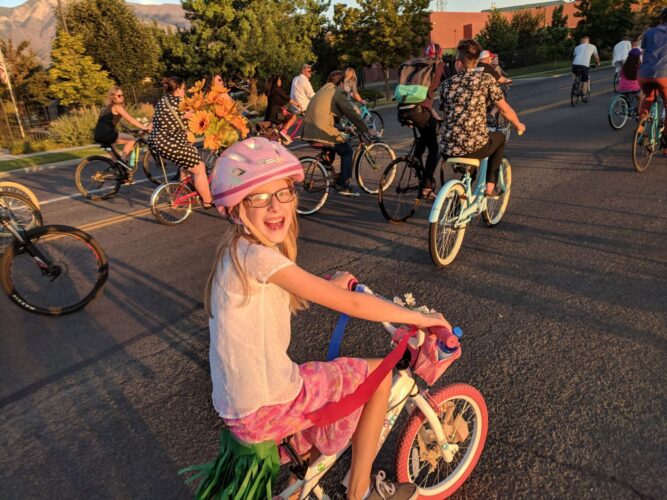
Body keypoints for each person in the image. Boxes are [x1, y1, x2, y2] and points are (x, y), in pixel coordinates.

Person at [206, 136, 451, 500]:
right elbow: (352, 305)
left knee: (324, 385)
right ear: (237, 208)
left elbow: (289, 285)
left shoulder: (237, 252)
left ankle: (298, 486)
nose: (275, 206)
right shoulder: (260, 258)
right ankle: (360, 491)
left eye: (283, 193)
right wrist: (417, 317)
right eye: (259, 197)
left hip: (240, 407)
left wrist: (329, 286)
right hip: (269, 403)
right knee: (377, 376)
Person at [440, 39, 525, 197]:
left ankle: (462, 195)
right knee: (500, 137)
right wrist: (518, 124)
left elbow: (447, 112)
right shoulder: (485, 79)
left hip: (447, 148)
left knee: (468, 150)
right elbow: (504, 109)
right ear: (477, 61)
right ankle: (490, 188)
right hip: (475, 147)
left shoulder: (447, 84)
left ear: (458, 63)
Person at [302, 70, 377, 196]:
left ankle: (326, 167)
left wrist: (344, 128)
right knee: (347, 151)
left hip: (309, 131)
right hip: (321, 131)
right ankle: (344, 185)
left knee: (334, 143)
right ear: (341, 83)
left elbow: (326, 116)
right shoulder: (337, 92)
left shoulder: (322, 91)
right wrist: (366, 129)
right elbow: (350, 112)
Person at [148, 76, 214, 208]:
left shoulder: (163, 100)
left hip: (157, 142)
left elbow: (174, 120)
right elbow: (195, 116)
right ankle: (207, 201)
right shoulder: (180, 102)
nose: (185, 91)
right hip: (171, 142)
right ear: (177, 89)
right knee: (199, 168)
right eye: (184, 88)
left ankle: (184, 190)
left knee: (188, 161)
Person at [397, 43, 447, 201]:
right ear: (439, 54)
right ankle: (426, 187)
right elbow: (443, 88)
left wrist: (433, 112)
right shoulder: (438, 65)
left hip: (403, 110)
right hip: (419, 111)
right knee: (434, 148)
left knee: (424, 138)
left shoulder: (415, 65)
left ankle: (416, 162)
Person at [93, 86, 151, 180]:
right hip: (107, 133)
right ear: (113, 97)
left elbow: (119, 122)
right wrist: (144, 127)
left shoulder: (108, 108)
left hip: (99, 135)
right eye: (119, 95)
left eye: (122, 95)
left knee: (116, 161)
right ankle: (123, 161)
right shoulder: (117, 107)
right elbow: (130, 119)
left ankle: (122, 177)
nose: (122, 97)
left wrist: (130, 130)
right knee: (131, 140)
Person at [638, 7, 667, 151]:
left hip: (644, 74)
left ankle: (640, 129)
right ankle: (666, 139)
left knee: (648, 97)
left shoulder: (649, 32)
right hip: (663, 75)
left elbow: (643, 51)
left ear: (661, 18)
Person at [264, 75, 301, 144]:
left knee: (280, 125)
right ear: (276, 81)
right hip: (277, 113)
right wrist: (297, 104)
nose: (280, 81)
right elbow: (288, 99)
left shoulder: (270, 90)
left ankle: (281, 137)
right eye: (279, 80)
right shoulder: (278, 89)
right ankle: (284, 131)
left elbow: (277, 101)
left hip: (269, 113)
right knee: (293, 117)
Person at [572, 36, 600, 102]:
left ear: (581, 41)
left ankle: (574, 84)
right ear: (588, 41)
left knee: (573, 72)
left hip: (575, 64)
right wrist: (598, 63)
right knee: (585, 80)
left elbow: (574, 57)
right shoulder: (593, 46)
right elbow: (596, 57)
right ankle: (584, 95)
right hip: (584, 65)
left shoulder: (577, 47)